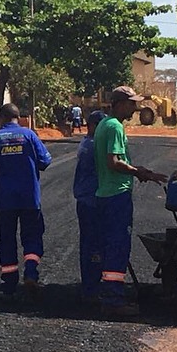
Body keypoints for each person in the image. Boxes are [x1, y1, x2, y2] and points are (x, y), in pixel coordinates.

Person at [93, 85, 167, 317]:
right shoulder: (114, 126)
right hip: (116, 195)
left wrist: (138, 171)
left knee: (110, 245)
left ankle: (108, 294)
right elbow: (114, 162)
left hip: (105, 194)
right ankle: (113, 300)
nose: (135, 108)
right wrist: (138, 172)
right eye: (132, 103)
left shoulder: (104, 124)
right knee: (118, 246)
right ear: (120, 104)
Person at [0, 102, 52, 301]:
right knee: (32, 236)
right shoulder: (29, 135)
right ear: (18, 118)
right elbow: (45, 161)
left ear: (1, 118)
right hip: (29, 197)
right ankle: (31, 273)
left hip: (6, 200)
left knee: (7, 240)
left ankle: (9, 285)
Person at [73, 109, 107, 305]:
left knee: (87, 242)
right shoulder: (94, 146)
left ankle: (89, 284)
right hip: (93, 199)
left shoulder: (85, 143)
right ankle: (92, 288)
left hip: (84, 198)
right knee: (94, 243)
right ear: (93, 126)